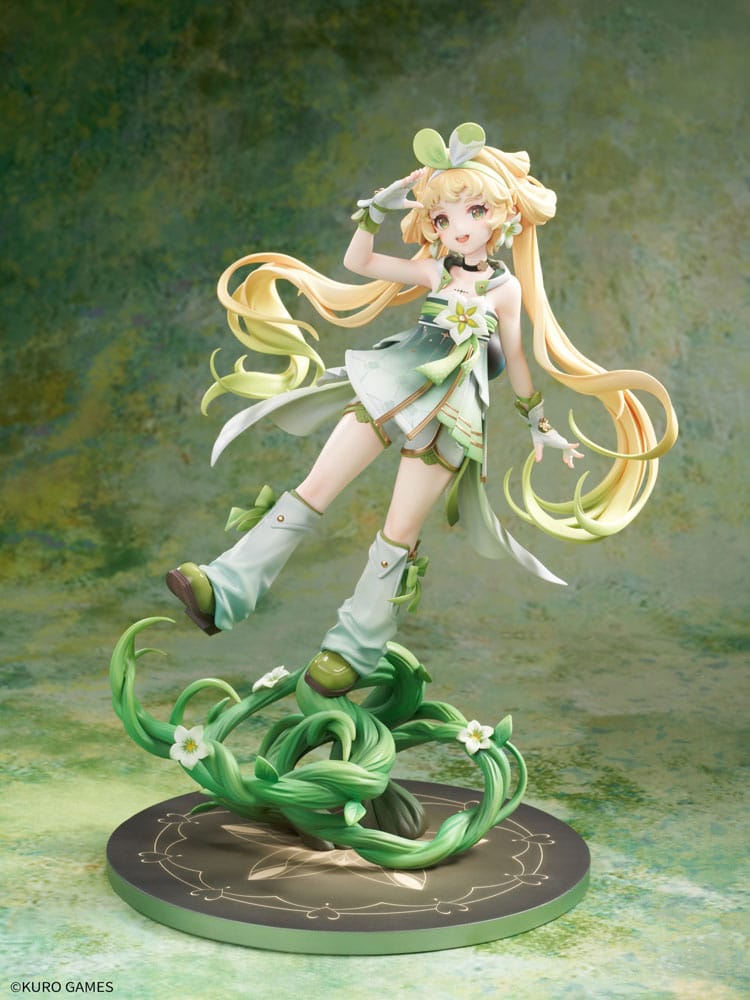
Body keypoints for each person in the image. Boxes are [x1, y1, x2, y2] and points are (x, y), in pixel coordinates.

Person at [166, 123, 677, 697]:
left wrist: (539, 424)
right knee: (314, 488)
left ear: (503, 215)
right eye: (443, 218)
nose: (460, 228)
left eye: (474, 211)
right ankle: (225, 589)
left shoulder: (505, 290)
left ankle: (353, 649)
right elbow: (359, 261)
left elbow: (516, 357)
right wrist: (375, 211)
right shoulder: (434, 270)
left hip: (453, 416)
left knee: (398, 530)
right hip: (393, 383)